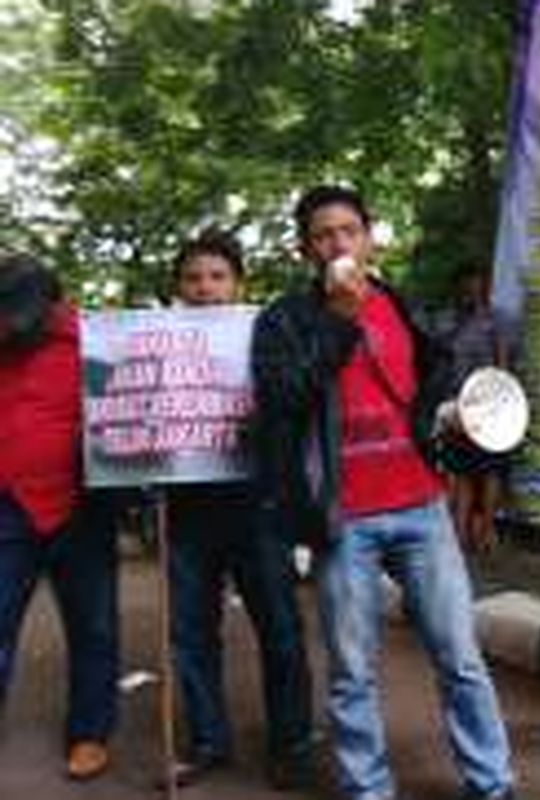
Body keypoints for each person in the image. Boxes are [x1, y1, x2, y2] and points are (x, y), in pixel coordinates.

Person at [251, 185, 518, 800]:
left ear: (369, 238)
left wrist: (445, 418)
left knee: (461, 660)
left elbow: (426, 383)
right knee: (351, 672)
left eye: (348, 230)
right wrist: (339, 323)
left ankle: (492, 784)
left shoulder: (401, 306)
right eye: (323, 235)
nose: (338, 243)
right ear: (304, 250)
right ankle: (368, 790)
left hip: (422, 507)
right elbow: (284, 401)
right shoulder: (286, 319)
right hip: (345, 519)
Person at [162, 230, 314, 789]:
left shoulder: (264, 336)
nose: (205, 288)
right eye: (193, 278)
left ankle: (291, 745)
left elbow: (299, 404)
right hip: (186, 512)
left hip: (258, 506)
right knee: (191, 635)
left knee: (279, 629)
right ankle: (208, 742)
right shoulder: (157, 344)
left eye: (216, 276)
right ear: (178, 288)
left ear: (238, 284)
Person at [0, 253, 120, 781]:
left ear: (53, 305)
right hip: (7, 506)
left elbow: (122, 416)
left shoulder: (98, 345)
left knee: (93, 627)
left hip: (83, 508)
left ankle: (90, 734)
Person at [443, 270, 508, 552]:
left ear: (485, 289)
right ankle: (458, 534)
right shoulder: (454, 323)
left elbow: (502, 366)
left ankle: (487, 530)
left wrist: (499, 405)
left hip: (488, 407)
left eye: (476, 287)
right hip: (459, 406)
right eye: (466, 287)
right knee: (462, 471)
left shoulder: (496, 322)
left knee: (490, 470)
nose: (470, 292)